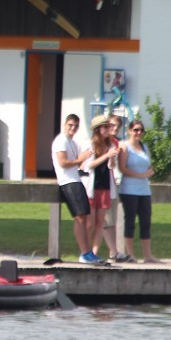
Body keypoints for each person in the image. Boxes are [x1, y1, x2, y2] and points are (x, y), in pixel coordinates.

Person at [51, 113, 104, 264]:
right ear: (65, 125)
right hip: (68, 182)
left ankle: (88, 252)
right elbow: (63, 163)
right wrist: (81, 158)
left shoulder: (72, 142)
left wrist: (86, 159)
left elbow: (78, 164)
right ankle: (84, 253)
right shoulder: (60, 141)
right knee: (80, 217)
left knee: (85, 217)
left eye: (75, 126)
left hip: (76, 180)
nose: (72, 128)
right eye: (70, 125)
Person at [117, 119, 161, 263]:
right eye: (135, 130)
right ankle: (131, 254)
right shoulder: (125, 146)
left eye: (141, 130)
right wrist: (141, 175)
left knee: (146, 222)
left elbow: (148, 164)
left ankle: (148, 255)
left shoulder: (144, 147)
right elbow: (122, 168)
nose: (138, 133)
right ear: (130, 131)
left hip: (144, 190)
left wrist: (149, 172)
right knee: (130, 221)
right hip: (129, 189)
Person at [82, 115, 120, 262]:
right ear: (98, 129)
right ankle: (85, 251)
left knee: (100, 222)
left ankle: (95, 252)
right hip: (92, 187)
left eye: (108, 126)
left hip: (105, 187)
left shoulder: (110, 145)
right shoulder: (91, 145)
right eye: (105, 127)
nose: (108, 129)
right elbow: (88, 165)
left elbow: (111, 166)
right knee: (90, 223)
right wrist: (106, 155)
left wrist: (111, 157)